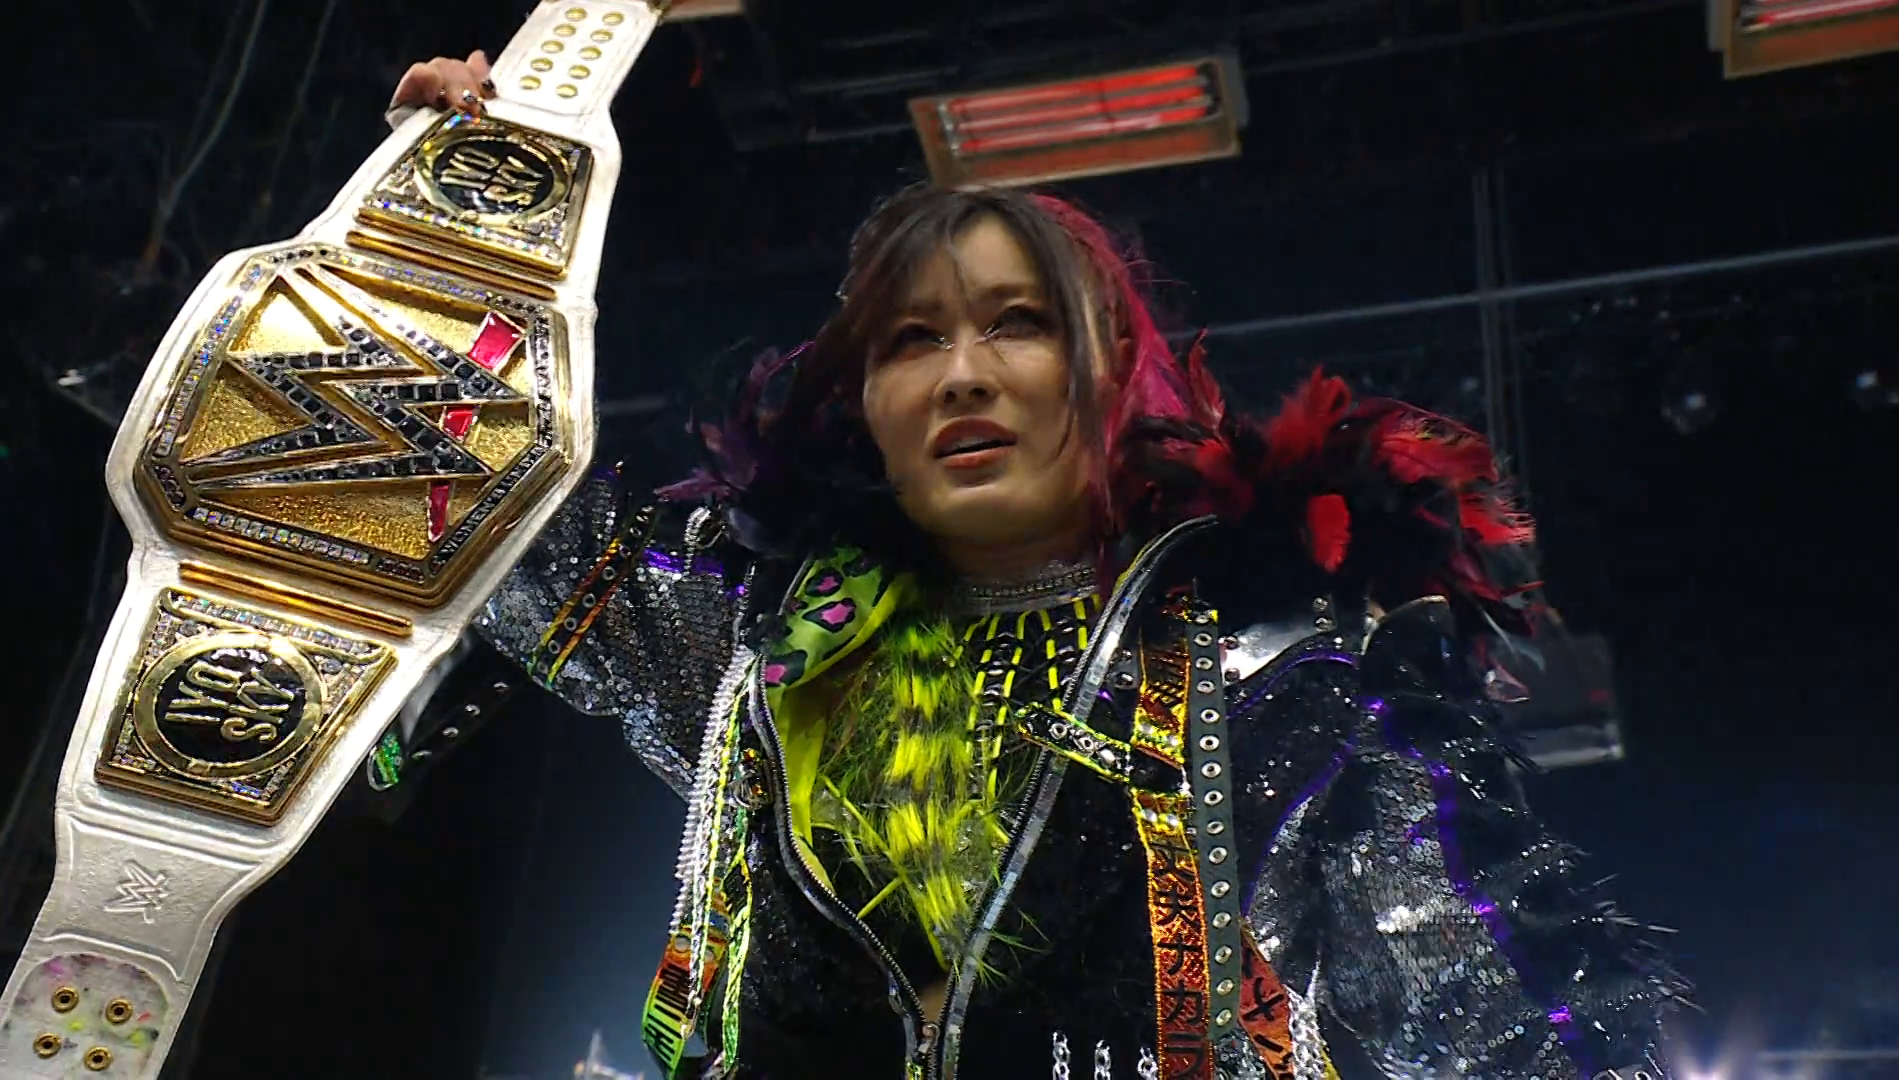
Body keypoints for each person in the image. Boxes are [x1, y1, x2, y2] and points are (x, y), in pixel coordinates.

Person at [386, 54, 1685, 1080]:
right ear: (865, 404)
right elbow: (468, 504)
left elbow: (1509, 1038)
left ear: (1111, 378)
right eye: (913, 339)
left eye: (1017, 323)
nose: (963, 373)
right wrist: (437, 233)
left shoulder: (1286, 696)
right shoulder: (769, 659)